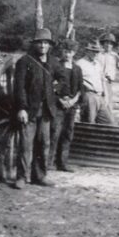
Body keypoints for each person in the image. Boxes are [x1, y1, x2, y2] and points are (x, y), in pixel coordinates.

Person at [13, 28, 59, 189]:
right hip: (30, 111)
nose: (43, 45)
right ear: (34, 44)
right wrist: (22, 108)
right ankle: (21, 177)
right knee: (25, 145)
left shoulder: (53, 62)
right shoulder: (24, 61)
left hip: (46, 111)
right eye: (40, 42)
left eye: (46, 43)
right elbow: (19, 88)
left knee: (43, 144)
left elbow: (63, 80)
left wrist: (56, 91)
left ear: (50, 45)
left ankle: (40, 176)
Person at [49, 38, 84, 173]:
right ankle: (48, 162)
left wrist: (74, 101)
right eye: (65, 51)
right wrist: (60, 100)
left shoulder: (77, 69)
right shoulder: (56, 66)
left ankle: (62, 163)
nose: (67, 54)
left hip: (72, 105)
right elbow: (51, 86)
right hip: (58, 105)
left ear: (74, 53)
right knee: (54, 133)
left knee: (67, 133)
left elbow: (81, 88)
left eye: (70, 52)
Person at [76, 41, 114, 124]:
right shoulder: (80, 64)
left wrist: (106, 96)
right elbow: (75, 83)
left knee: (109, 122)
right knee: (89, 122)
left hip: (100, 96)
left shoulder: (97, 64)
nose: (96, 54)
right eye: (93, 51)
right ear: (87, 51)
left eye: (97, 52)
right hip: (88, 95)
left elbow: (102, 80)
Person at [97, 32, 119, 113]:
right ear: (103, 44)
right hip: (98, 82)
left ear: (113, 45)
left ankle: (107, 120)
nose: (108, 45)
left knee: (108, 103)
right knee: (98, 102)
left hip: (108, 82)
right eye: (106, 43)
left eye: (111, 43)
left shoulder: (115, 56)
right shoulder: (98, 55)